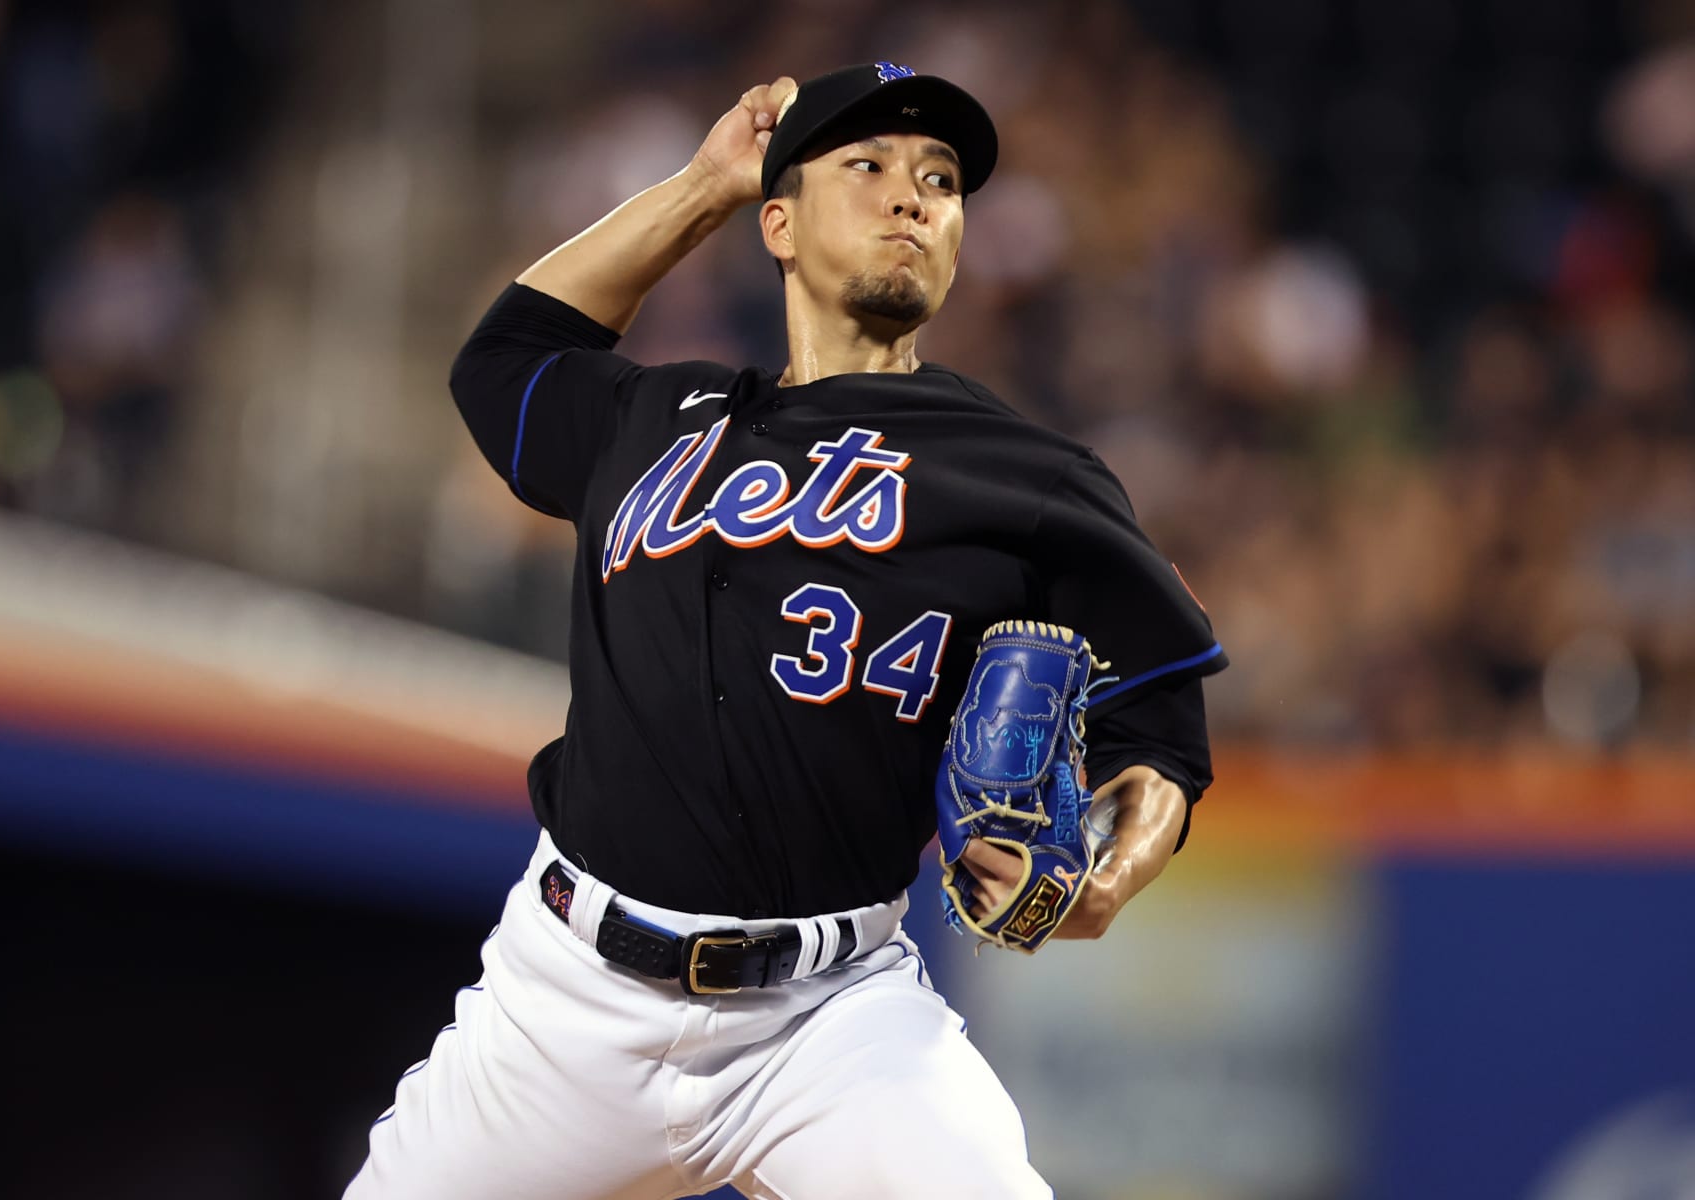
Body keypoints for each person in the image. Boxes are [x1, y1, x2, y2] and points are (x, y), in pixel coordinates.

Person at [345, 63, 1226, 1200]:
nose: (913, 195)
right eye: (867, 166)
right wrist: (703, 186)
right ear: (781, 221)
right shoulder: (656, 415)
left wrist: (1115, 868)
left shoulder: (1030, 475)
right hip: (560, 1006)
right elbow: (504, 362)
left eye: (942, 181)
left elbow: (1160, 726)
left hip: (830, 1024)